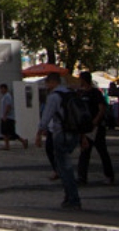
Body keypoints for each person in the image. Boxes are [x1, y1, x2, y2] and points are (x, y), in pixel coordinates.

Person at [35, 73, 81, 210]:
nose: (46, 86)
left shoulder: (54, 96)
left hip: (61, 133)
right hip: (75, 133)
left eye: (47, 83)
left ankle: (73, 199)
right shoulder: (71, 94)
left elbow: (46, 116)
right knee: (66, 166)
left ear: (52, 82)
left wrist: (38, 133)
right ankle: (69, 197)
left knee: (64, 168)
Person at [77, 72, 114, 185]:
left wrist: (96, 121)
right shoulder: (82, 94)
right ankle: (82, 177)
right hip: (86, 127)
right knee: (84, 152)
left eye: (81, 79)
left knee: (102, 151)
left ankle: (109, 175)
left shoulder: (95, 93)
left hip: (96, 126)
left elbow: (102, 108)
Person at [0, 84, 29, 150]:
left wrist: (5, 115)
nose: (1, 90)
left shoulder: (7, 96)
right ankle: (7, 145)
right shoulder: (4, 97)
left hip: (8, 117)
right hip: (6, 117)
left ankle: (23, 141)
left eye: (2, 89)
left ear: (5, 89)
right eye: (0, 89)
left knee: (10, 132)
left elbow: (8, 106)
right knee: (5, 132)